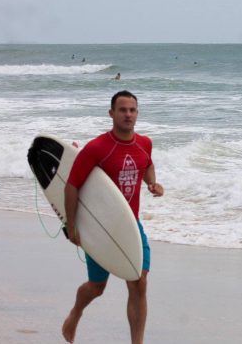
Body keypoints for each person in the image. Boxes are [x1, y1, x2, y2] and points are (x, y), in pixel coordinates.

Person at [62, 90, 164, 344]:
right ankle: (75, 313)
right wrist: (71, 225)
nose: (128, 115)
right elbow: (72, 185)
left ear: (137, 113)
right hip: (102, 228)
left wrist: (153, 183)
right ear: (111, 113)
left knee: (139, 281)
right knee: (97, 287)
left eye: (132, 110)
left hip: (130, 226)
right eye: (122, 110)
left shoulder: (145, 143)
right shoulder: (97, 148)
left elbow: (147, 163)